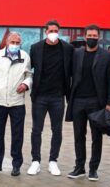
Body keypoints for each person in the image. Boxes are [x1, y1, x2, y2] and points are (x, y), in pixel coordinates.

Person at [65, 25, 110, 181]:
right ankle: (79, 167)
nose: (92, 38)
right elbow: (69, 75)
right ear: (85, 37)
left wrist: (109, 103)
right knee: (79, 136)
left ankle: (93, 169)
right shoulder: (77, 54)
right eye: (89, 35)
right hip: (78, 101)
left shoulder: (106, 56)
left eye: (95, 35)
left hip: (96, 102)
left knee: (96, 137)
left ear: (98, 37)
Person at [0, 32, 32, 176]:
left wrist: (26, 84)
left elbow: (29, 75)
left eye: (18, 42)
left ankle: (16, 165)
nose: (15, 45)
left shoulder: (25, 57)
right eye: (13, 42)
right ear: (7, 42)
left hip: (17, 103)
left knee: (17, 136)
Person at [27, 20, 73, 176]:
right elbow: (27, 70)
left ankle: (53, 161)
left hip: (58, 97)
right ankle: (36, 161)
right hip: (40, 96)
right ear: (45, 31)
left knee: (57, 130)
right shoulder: (36, 48)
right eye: (51, 30)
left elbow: (72, 71)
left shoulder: (67, 48)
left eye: (56, 30)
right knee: (36, 130)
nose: (54, 33)